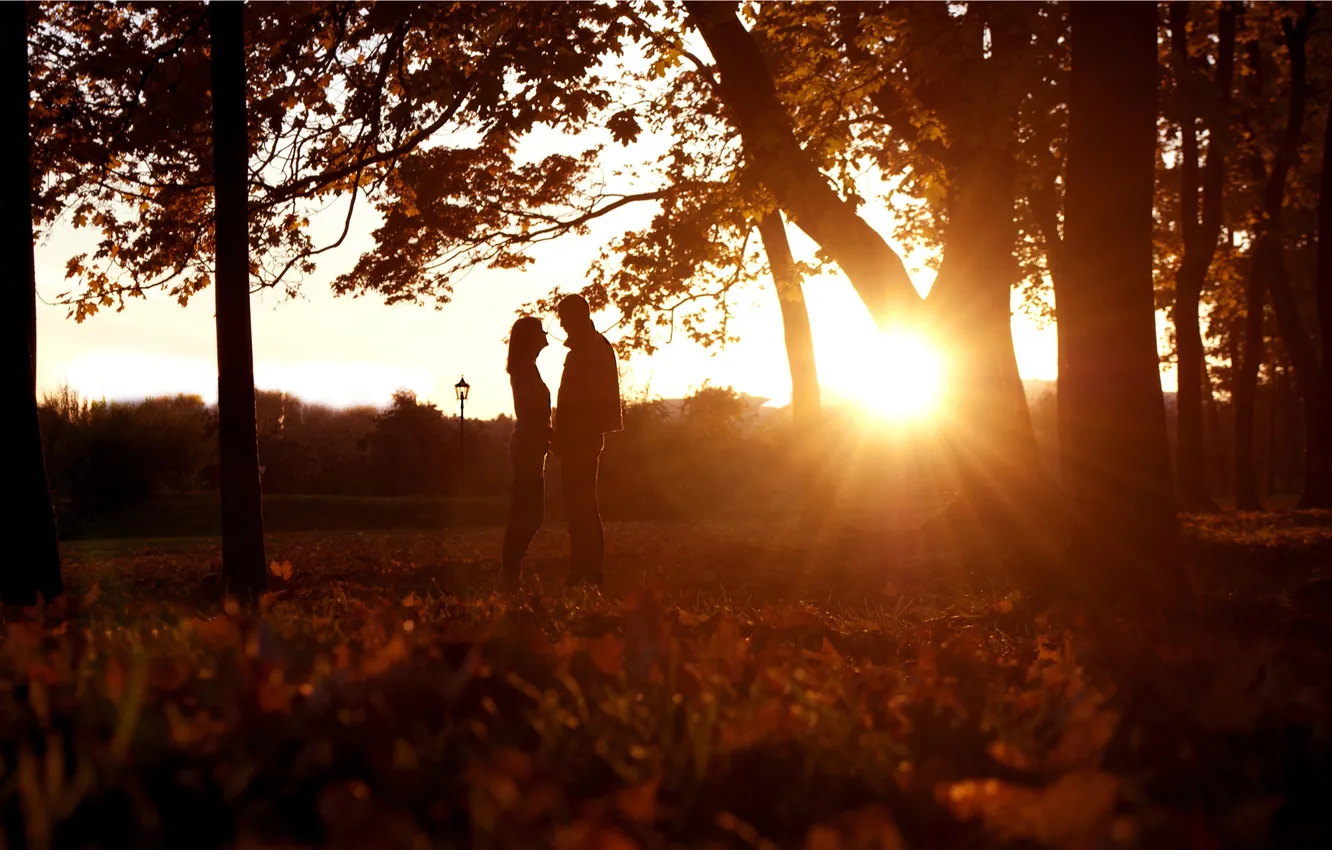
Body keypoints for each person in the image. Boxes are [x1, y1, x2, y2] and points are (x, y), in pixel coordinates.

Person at [552, 294, 622, 586]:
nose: (561, 324)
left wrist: (566, 435)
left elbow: (584, 400)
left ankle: (588, 570)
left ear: (577, 316)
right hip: (579, 437)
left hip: (580, 438)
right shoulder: (590, 347)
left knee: (581, 505)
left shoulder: (590, 349)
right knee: (578, 506)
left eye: (564, 318)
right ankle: (583, 568)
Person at [500, 316, 551, 588]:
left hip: (531, 445)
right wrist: (553, 437)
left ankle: (511, 570)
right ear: (530, 339)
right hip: (528, 446)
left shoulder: (526, 368)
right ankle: (510, 570)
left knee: (528, 512)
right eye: (541, 331)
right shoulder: (525, 370)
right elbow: (532, 412)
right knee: (529, 513)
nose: (546, 335)